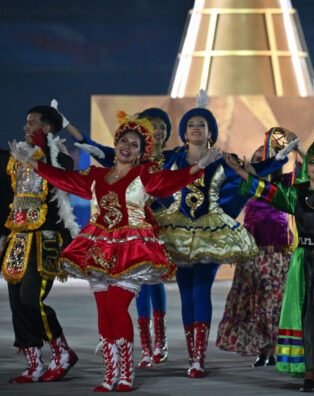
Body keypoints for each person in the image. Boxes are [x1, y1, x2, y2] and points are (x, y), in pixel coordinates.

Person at [11, 115, 218, 391]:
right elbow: (65, 178)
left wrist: (197, 168)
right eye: (124, 141)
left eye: (134, 144)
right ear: (116, 144)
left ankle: (125, 374)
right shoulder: (96, 175)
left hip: (130, 250)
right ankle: (109, 375)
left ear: (140, 153)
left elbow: (169, 181)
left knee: (116, 308)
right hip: (98, 249)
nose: (127, 147)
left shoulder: (144, 175)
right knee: (103, 312)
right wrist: (34, 163)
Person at [156, 104, 294, 378]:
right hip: (178, 231)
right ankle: (191, 354)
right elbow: (150, 175)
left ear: (210, 132)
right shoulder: (172, 159)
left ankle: (199, 359)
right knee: (185, 293)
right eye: (191, 124)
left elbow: (253, 168)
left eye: (201, 124)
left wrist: (278, 160)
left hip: (211, 234)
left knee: (201, 290)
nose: (196, 128)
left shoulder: (222, 161)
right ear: (184, 132)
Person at [228, 137, 314, 392]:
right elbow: (268, 192)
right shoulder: (295, 196)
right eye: (312, 161)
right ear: (306, 167)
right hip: (305, 262)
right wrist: (241, 172)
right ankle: (309, 375)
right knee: (307, 318)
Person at [64, 104, 175, 367]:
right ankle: (145, 348)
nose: (157, 130)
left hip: (158, 226)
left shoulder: (172, 158)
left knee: (153, 283)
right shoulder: (125, 158)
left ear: (167, 133)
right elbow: (92, 146)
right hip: (123, 230)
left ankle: (160, 342)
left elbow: (180, 179)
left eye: (162, 127)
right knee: (133, 292)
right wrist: (67, 124)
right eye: (153, 125)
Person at [3, 105, 79, 384]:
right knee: (16, 302)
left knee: (30, 298)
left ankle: (62, 352)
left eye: (32, 123)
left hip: (46, 240)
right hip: (18, 239)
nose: (25, 127)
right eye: (26, 123)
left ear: (46, 128)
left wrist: (44, 149)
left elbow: (64, 171)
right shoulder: (16, 157)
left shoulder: (59, 159)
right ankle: (33, 362)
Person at [215, 128, 298, 368]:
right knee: (256, 303)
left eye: (267, 158)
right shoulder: (245, 185)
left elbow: (307, 169)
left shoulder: (285, 182)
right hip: (252, 252)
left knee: (275, 303)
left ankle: (273, 348)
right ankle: (263, 349)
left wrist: (295, 146)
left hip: (279, 252)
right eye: (257, 159)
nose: (262, 162)